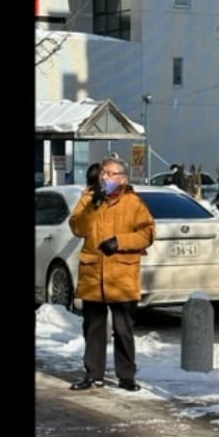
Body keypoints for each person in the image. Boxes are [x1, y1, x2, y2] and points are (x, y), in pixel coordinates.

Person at [67, 154, 157, 391]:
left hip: (122, 275)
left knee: (123, 330)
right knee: (93, 328)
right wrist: (92, 204)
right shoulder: (89, 197)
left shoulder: (133, 202)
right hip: (93, 273)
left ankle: (126, 376)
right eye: (103, 173)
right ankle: (92, 373)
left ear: (122, 178)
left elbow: (147, 234)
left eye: (109, 173)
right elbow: (77, 228)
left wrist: (120, 241)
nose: (104, 177)